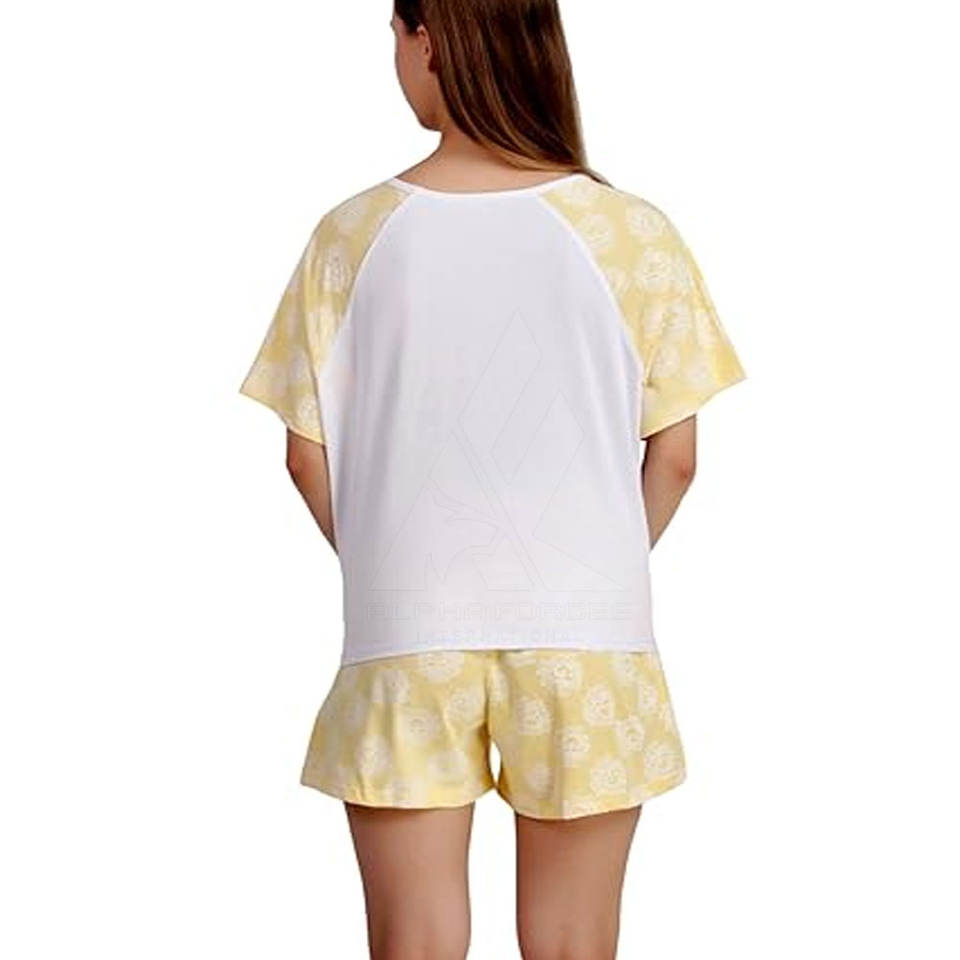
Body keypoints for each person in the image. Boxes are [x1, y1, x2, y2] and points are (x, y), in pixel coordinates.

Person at [240, 2, 745, 957]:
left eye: (393, 40)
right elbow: (676, 457)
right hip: (588, 636)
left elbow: (306, 454)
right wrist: (596, 564)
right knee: (572, 942)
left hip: (405, 628)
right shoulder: (631, 232)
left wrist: (395, 565)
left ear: (427, 39)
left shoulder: (352, 235)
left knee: (415, 942)